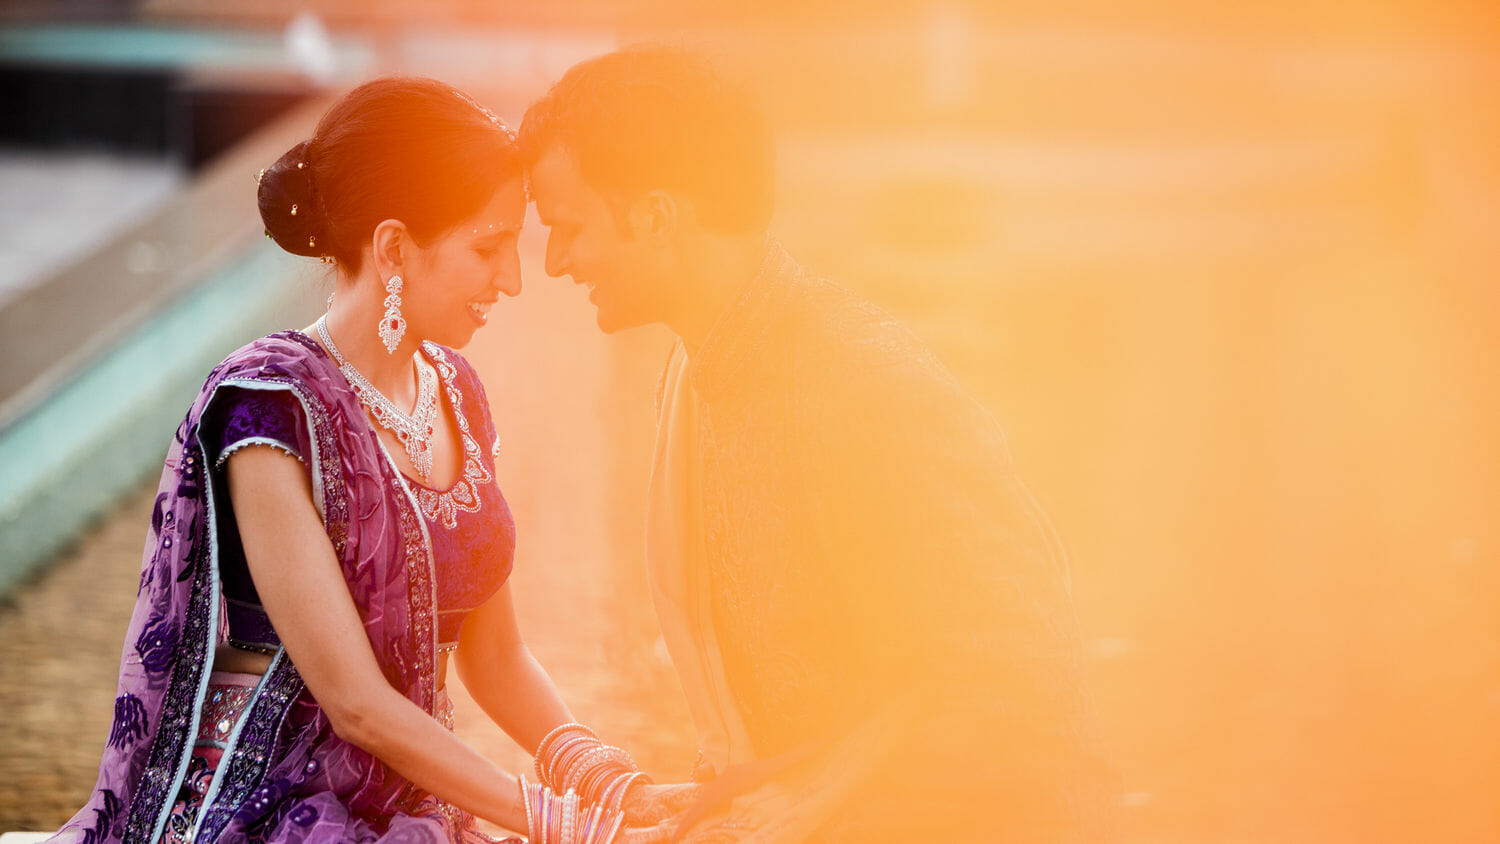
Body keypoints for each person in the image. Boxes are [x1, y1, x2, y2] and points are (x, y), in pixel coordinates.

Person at [49, 77, 681, 844]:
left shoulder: (456, 393)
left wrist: (608, 780)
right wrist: (565, 823)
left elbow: (496, 657)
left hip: (411, 800)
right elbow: (354, 703)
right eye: (488, 248)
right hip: (272, 808)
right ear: (394, 249)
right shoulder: (268, 408)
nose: (512, 280)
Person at [521, 46, 1119, 841]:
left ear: (657, 216)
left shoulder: (861, 381)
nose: (554, 261)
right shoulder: (698, 375)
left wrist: (814, 805)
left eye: (568, 229)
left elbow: (1019, 672)